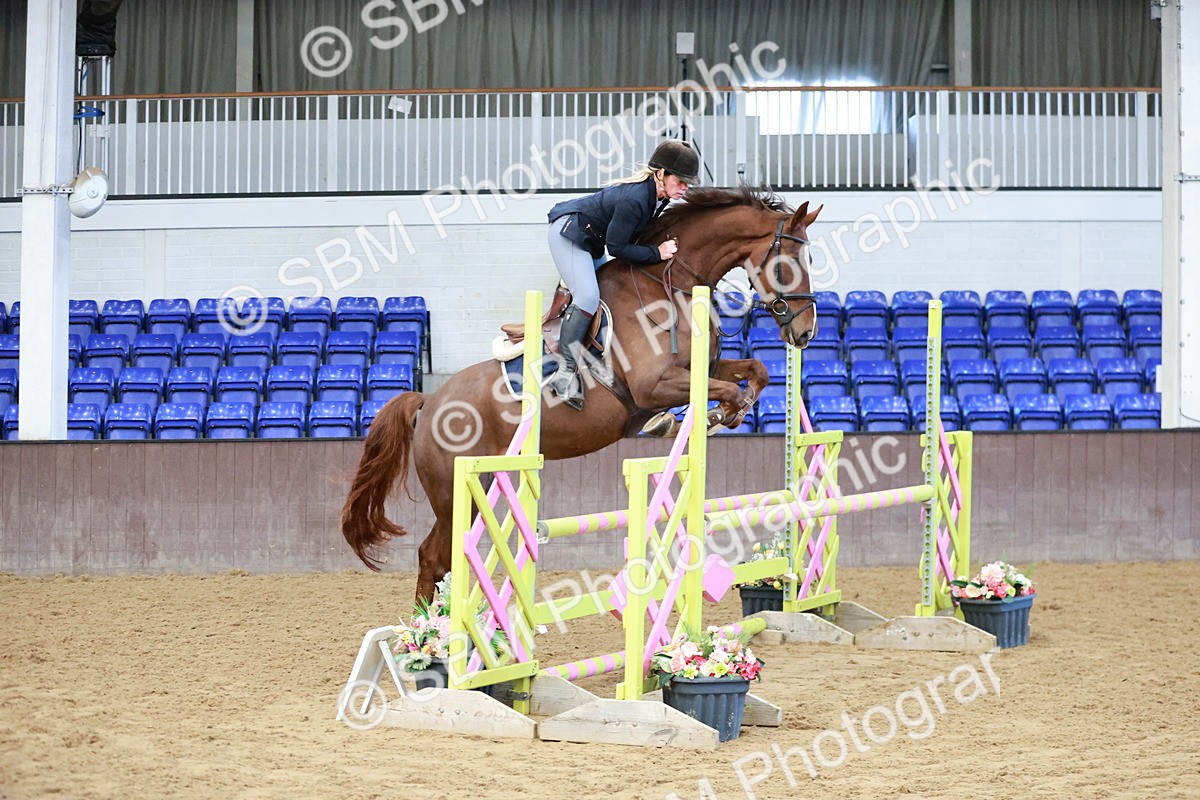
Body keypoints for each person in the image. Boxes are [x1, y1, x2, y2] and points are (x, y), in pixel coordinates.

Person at [544, 139, 700, 410]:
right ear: (661, 174)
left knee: (609, 293)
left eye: (688, 183)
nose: (685, 187)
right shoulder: (635, 198)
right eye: (680, 181)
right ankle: (565, 372)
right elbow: (616, 248)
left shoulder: (658, 197)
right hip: (569, 233)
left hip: (591, 239)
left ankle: (594, 359)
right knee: (588, 296)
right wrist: (656, 253)